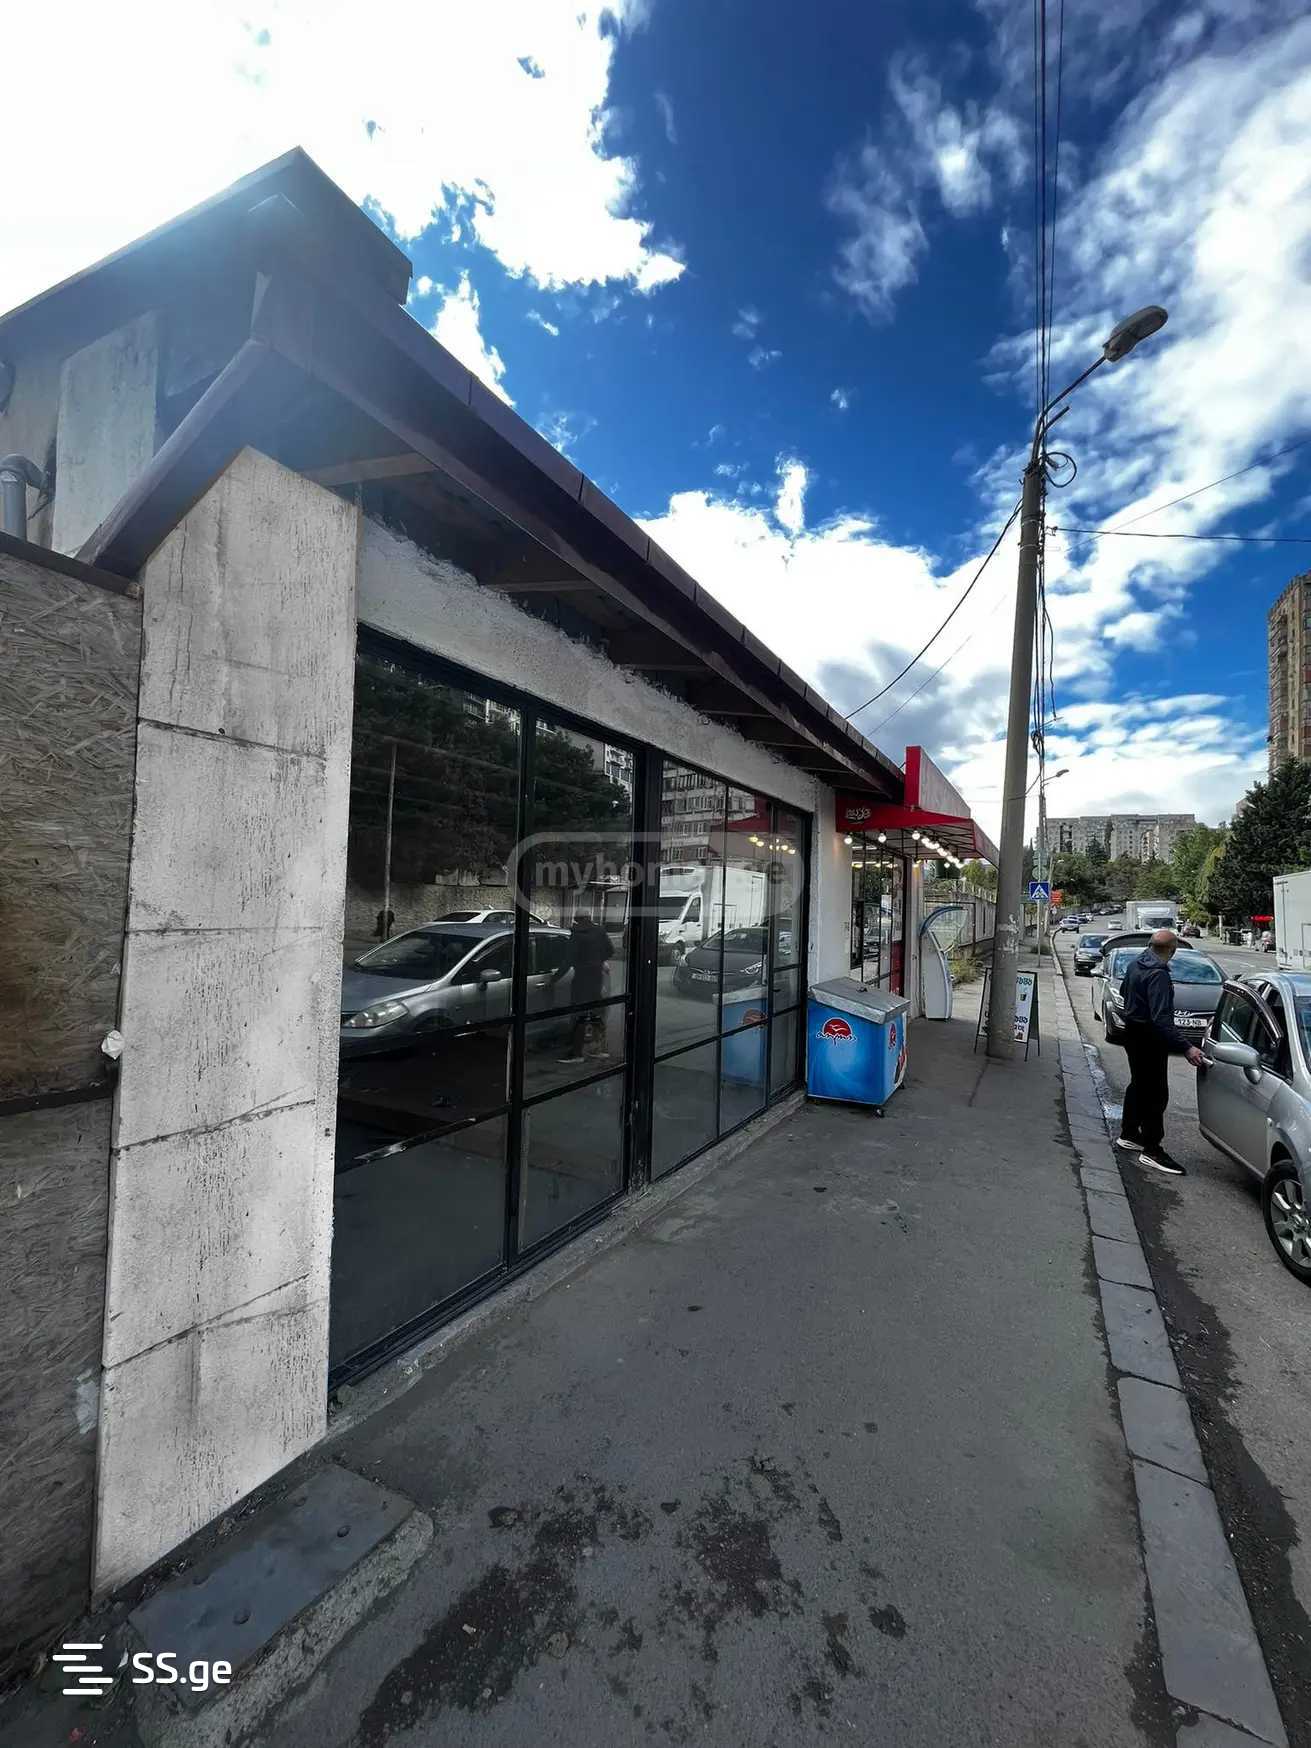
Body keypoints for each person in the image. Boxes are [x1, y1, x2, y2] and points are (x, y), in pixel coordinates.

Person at [1113, 928, 1204, 1176]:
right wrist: (1187, 1047)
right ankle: (1152, 1150)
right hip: (1149, 1038)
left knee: (1138, 1085)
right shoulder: (1158, 975)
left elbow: (1123, 993)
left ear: (1150, 945)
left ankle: (1129, 1134)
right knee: (1155, 1094)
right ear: (1172, 951)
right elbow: (1162, 1019)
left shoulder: (1136, 964)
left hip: (1132, 1033)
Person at [552, 913, 613, 1063]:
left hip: (582, 980)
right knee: (596, 1014)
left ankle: (576, 1053)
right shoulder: (600, 931)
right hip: (596, 978)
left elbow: (568, 961)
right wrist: (597, 962)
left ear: (577, 919)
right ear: (589, 917)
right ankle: (600, 1049)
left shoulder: (577, 935)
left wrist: (553, 980)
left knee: (578, 1016)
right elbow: (610, 950)